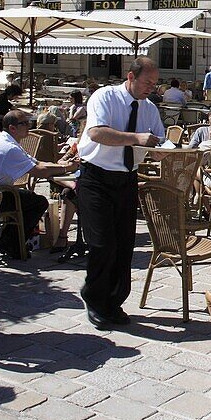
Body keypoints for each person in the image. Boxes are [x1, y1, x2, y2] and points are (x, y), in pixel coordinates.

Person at [77, 57, 165, 329]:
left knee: (124, 245)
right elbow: (96, 133)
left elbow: (160, 138)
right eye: (147, 82)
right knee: (103, 244)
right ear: (130, 76)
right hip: (96, 177)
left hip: (126, 178)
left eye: (154, 83)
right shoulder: (105, 97)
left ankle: (114, 301)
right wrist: (135, 138)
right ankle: (95, 299)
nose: (151, 87)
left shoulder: (149, 108)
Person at [0, 109, 76, 258]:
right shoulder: (9, 148)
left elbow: (37, 163)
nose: (29, 125)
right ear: (12, 128)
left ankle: (8, 243)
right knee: (38, 202)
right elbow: (39, 171)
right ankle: (12, 245)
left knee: (26, 199)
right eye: (24, 123)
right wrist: (67, 168)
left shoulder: (1, 140)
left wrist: (63, 164)